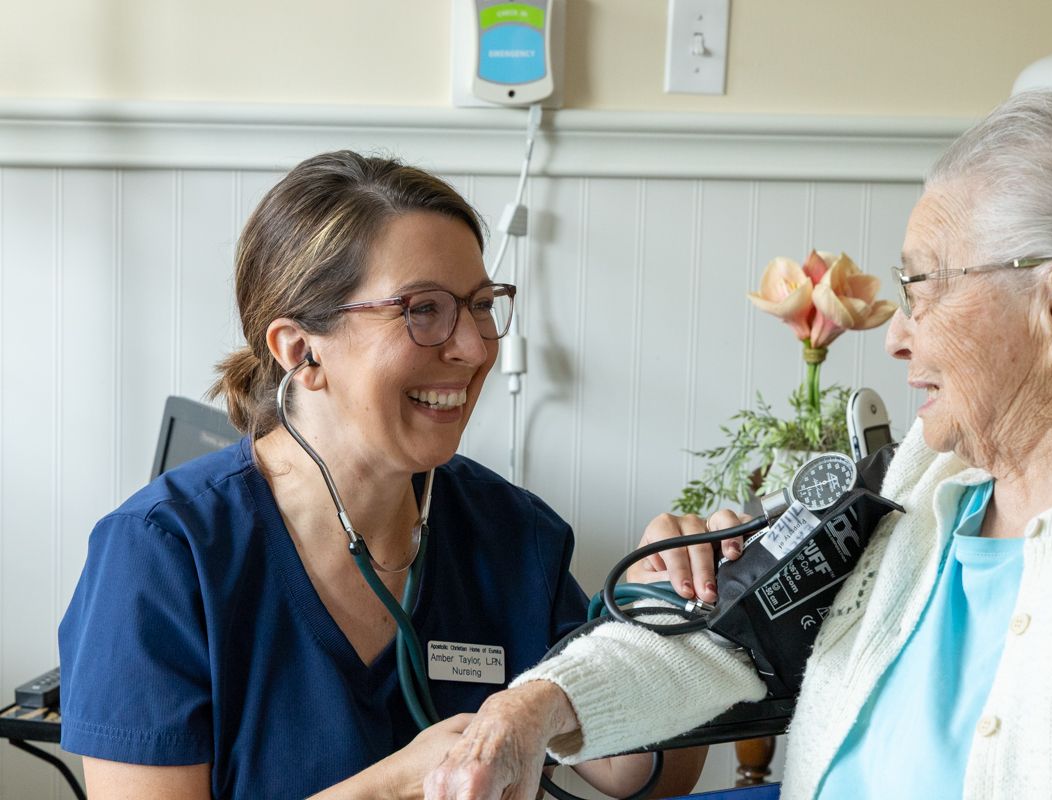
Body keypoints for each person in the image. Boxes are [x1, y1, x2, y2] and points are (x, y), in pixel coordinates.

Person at [424, 90, 1052, 800]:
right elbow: (720, 639)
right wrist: (528, 710)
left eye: (923, 289)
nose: (896, 337)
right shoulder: (925, 477)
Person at [57, 151, 705, 799]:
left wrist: (664, 616)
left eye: (481, 305)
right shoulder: (160, 555)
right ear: (301, 351)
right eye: (423, 309)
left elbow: (643, 777)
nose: (474, 347)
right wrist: (393, 787)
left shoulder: (513, 532)